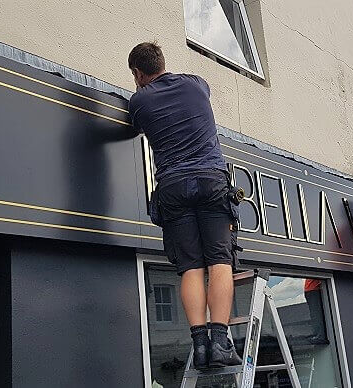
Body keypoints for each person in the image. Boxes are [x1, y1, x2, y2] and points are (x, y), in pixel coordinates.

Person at [127, 42, 241, 369]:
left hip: (173, 186)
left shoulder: (139, 101)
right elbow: (202, 93)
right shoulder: (195, 84)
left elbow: (135, 124)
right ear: (162, 62)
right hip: (210, 179)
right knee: (219, 260)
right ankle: (220, 342)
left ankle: (201, 344)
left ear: (137, 73)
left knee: (190, 266)